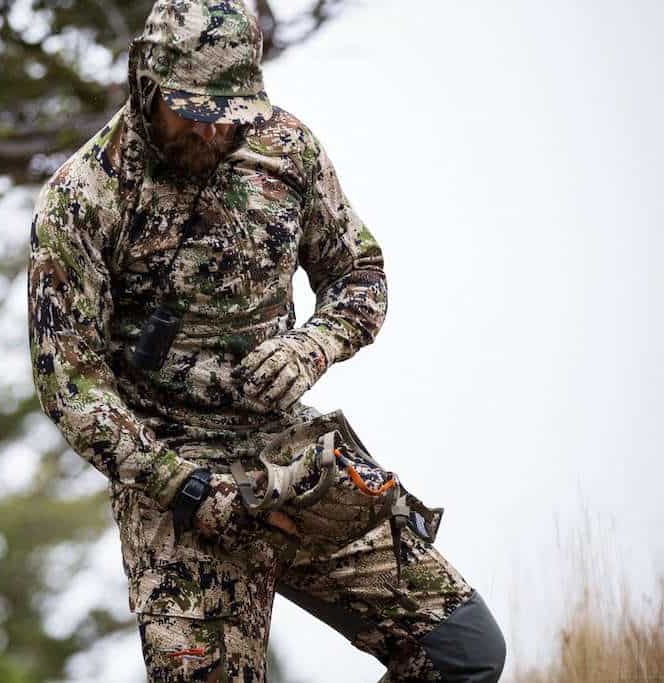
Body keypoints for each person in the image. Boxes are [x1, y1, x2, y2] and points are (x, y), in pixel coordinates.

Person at [27, 1, 506, 680]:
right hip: (176, 493)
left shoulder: (288, 151)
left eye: (232, 111)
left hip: (291, 470)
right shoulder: (82, 200)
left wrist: (313, 344)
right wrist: (183, 485)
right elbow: (70, 385)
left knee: (463, 652)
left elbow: (360, 274)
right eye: (194, 110)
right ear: (147, 81)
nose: (216, 127)